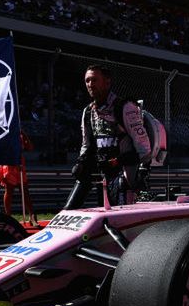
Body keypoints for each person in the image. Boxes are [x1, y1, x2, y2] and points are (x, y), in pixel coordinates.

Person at [64, 65, 151, 209]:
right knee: (76, 210)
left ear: (107, 82)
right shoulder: (87, 112)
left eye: (94, 80)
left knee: (119, 219)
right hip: (101, 171)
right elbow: (87, 144)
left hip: (123, 173)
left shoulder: (125, 107)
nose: (90, 84)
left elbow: (143, 146)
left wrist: (141, 171)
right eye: (87, 81)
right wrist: (80, 162)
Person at [1, 130, 37, 225]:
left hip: (20, 164)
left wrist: (24, 134)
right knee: (9, 190)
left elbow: (30, 147)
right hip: (9, 163)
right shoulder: (5, 132)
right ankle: (8, 216)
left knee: (25, 191)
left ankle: (32, 216)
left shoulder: (19, 134)